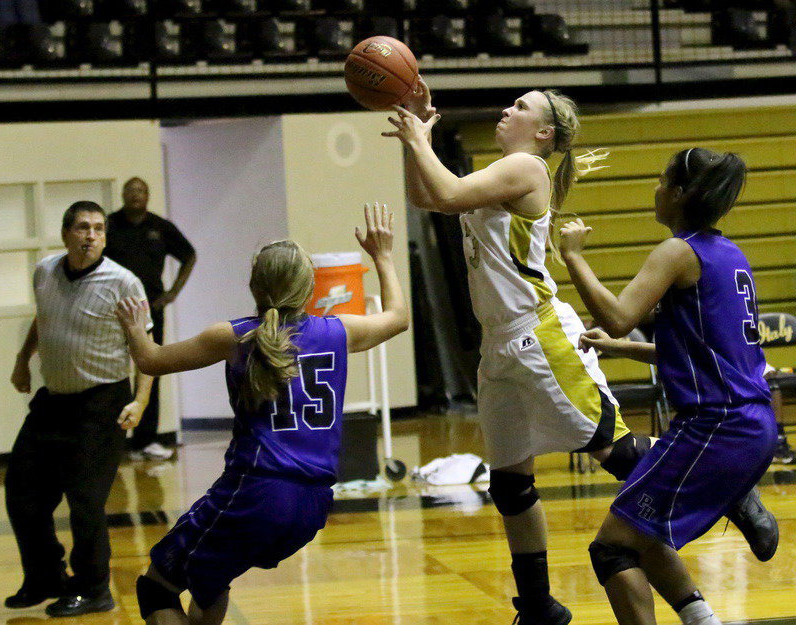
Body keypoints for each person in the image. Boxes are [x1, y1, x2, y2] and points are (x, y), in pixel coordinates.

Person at [385, 84, 777, 625]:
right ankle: (539, 606)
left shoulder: (528, 169)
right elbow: (428, 197)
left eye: (520, 107)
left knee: (610, 450)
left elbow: (446, 193)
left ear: (543, 134)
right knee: (510, 483)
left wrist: (417, 136)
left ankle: (733, 488)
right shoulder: (497, 173)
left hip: (536, 334)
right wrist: (414, 141)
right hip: (497, 344)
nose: (506, 110)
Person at [116, 203, 409, 625]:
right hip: (313, 505)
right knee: (211, 582)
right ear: (309, 288)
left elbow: (150, 360)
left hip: (253, 494)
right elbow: (398, 318)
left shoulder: (235, 336)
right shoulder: (338, 331)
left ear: (254, 286)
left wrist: (133, 325)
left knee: (157, 587)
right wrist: (381, 255)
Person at [560, 148, 778, 625]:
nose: (654, 189)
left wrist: (573, 258)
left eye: (662, 181)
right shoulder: (731, 255)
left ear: (679, 195)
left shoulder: (679, 252)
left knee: (612, 548)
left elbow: (617, 318)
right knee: (643, 530)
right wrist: (622, 351)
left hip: (718, 425)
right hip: (747, 421)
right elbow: (706, 354)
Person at [7, 200, 154, 617]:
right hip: (53, 402)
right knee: (22, 493)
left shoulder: (124, 283)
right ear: (65, 233)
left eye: (99, 228)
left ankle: (93, 589)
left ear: (105, 236)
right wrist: (23, 360)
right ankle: (44, 578)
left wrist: (140, 400)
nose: (91, 235)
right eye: (82, 227)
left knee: (86, 501)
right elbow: (45, 318)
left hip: (101, 404)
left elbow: (145, 348)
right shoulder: (46, 272)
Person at [104, 177, 196, 461]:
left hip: (150, 308)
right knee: (112, 372)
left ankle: (146, 440)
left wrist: (171, 294)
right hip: (114, 309)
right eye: (130, 190)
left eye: (141, 191)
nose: (135, 195)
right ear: (122, 195)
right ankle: (114, 442)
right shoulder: (109, 224)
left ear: (148, 195)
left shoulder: (160, 226)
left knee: (149, 367)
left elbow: (189, 255)